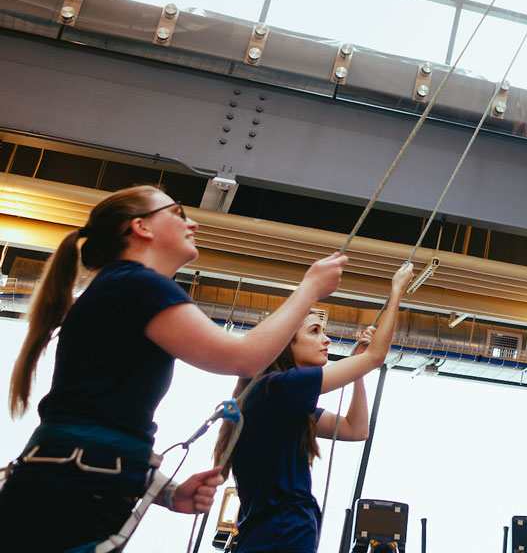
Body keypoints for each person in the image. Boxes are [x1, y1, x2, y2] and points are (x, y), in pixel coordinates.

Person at [0, 185, 347, 550]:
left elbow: (101, 417)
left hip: (70, 487)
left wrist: (168, 492)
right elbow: (243, 358)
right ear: (141, 227)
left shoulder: (124, 288)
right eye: (178, 213)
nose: (193, 223)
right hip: (72, 494)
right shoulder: (138, 284)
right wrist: (309, 290)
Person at [214, 260, 415, 553]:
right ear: (286, 344)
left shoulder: (283, 402)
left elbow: (356, 429)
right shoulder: (279, 387)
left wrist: (357, 372)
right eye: (315, 331)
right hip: (282, 536)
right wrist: (397, 290)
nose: (327, 338)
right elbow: (376, 356)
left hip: (273, 535)